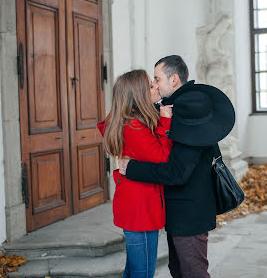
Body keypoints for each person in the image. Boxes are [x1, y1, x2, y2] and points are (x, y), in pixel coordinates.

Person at [118, 55, 235, 278]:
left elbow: (178, 172)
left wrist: (131, 168)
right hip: (181, 210)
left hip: (189, 212)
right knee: (179, 270)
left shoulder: (187, 108)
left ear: (173, 80)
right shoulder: (176, 106)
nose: (154, 84)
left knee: (192, 272)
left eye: (156, 78)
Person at [97, 69, 174, 278]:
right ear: (137, 94)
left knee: (133, 270)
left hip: (136, 206)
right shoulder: (133, 127)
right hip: (141, 210)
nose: (156, 86)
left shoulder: (131, 121)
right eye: (151, 85)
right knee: (143, 273)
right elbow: (162, 156)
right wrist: (166, 121)